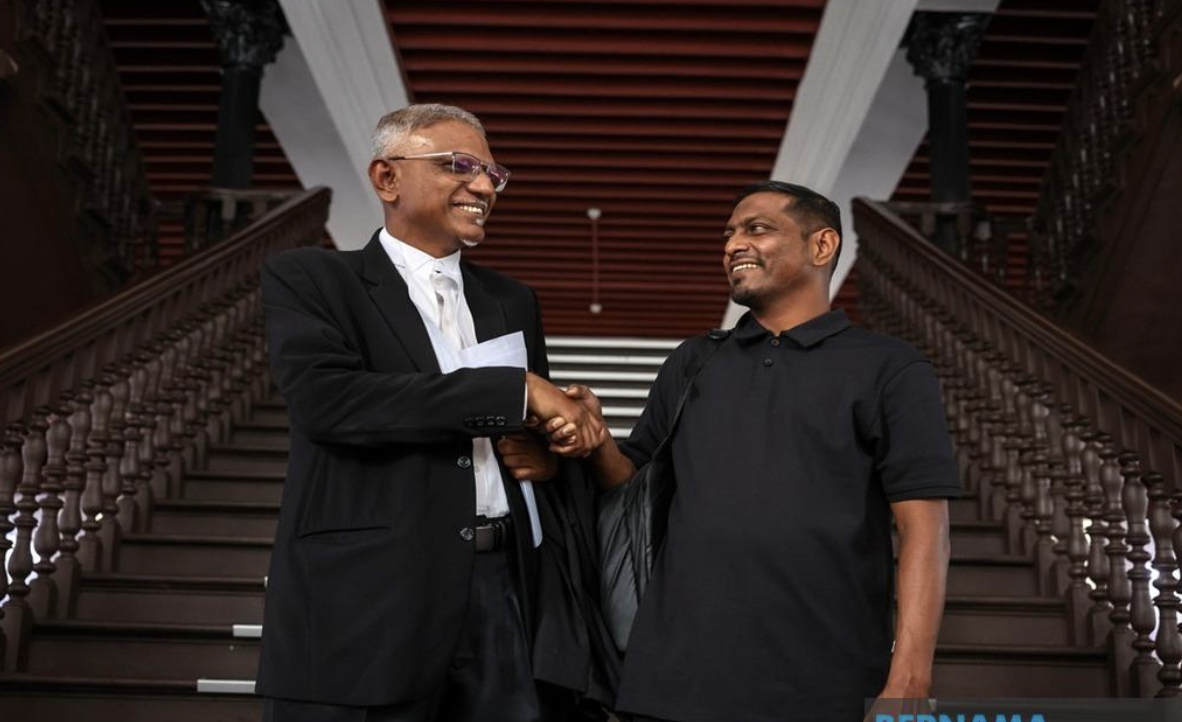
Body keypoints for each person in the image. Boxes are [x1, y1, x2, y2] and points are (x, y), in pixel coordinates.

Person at [552, 181, 961, 722]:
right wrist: (596, 437)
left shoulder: (890, 368)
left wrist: (909, 678)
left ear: (822, 246)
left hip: (823, 684)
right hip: (671, 679)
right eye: (728, 234)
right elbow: (629, 485)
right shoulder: (694, 360)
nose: (733, 245)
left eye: (757, 229)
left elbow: (924, 529)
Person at [256, 103, 604, 722]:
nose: (483, 187)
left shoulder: (512, 300)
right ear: (387, 178)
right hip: (370, 596)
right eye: (459, 166)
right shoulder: (313, 278)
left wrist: (555, 449)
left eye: (492, 174)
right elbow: (330, 403)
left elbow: (524, 437)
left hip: (505, 584)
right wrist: (516, 390)